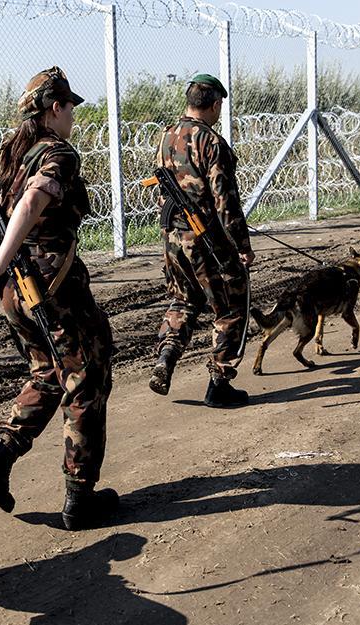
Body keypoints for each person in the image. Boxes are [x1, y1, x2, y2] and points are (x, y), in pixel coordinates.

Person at [0, 67, 117, 531]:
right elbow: (31, 204)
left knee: (48, 373)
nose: (72, 119)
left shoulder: (0, 158)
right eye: (70, 109)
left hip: (14, 295)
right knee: (86, 375)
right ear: (54, 108)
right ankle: (80, 498)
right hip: (52, 286)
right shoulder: (57, 153)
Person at [148, 73, 255, 408]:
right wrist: (242, 245)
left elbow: (162, 188)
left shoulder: (166, 136)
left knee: (182, 301)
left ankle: (166, 357)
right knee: (231, 305)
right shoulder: (211, 142)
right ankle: (219, 382)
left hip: (172, 236)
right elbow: (225, 200)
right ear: (215, 104)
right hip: (206, 239)